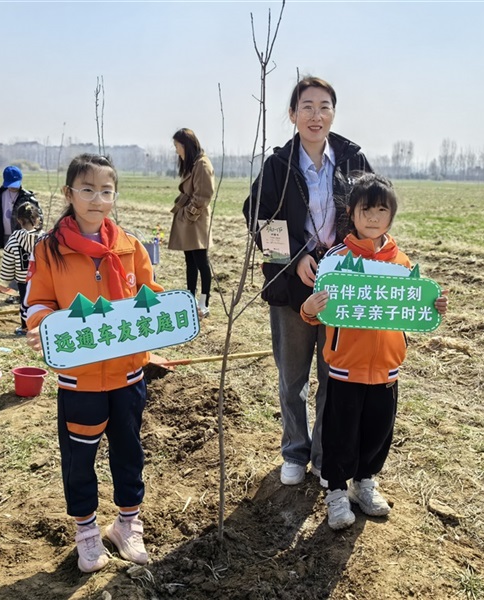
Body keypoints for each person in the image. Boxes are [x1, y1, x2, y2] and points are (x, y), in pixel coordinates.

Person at [24, 154, 161, 574]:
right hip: (79, 380)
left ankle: (127, 524)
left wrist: (160, 318)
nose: (97, 199)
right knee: (79, 457)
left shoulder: (129, 246)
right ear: (69, 194)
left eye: (106, 191)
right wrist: (44, 326)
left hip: (127, 375)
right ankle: (86, 532)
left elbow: (150, 295)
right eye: (87, 189)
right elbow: (37, 302)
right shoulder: (50, 250)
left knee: (128, 451)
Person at [242, 76, 374, 486]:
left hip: (340, 285)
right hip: (291, 285)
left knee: (333, 376)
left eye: (324, 107)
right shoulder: (278, 165)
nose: (316, 116)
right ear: (293, 114)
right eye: (307, 107)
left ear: (333, 113)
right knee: (293, 377)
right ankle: (295, 452)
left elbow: (373, 214)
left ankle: (324, 456)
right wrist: (295, 255)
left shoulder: (353, 160)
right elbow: (257, 219)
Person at [300, 174, 449, 530]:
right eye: (366, 209)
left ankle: (364, 483)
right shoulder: (336, 260)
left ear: (391, 215)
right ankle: (336, 492)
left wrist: (433, 306)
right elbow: (314, 315)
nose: (373, 217)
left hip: (386, 369)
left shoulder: (401, 263)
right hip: (344, 369)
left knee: (378, 431)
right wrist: (308, 308)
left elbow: (412, 309)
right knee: (340, 432)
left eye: (382, 210)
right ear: (351, 212)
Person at [167, 128, 215, 318]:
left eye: (177, 146)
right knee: (190, 261)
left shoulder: (202, 164)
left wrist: (188, 214)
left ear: (185, 145)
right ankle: (190, 298)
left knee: (201, 261)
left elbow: (204, 196)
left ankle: (204, 301)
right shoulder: (193, 163)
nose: (176, 150)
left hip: (196, 220)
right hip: (189, 220)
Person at [0, 203, 44, 335]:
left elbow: (8, 261)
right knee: (42, 302)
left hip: (23, 280)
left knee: (25, 304)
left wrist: (7, 277)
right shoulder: (44, 239)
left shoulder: (14, 239)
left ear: (19, 220)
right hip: (42, 280)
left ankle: (26, 327)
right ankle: (42, 326)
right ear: (37, 220)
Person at [0, 165, 43, 249]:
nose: (13, 187)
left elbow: (39, 218)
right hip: (3, 237)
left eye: (15, 184)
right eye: (10, 184)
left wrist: (34, 236)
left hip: (22, 239)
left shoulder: (27, 198)